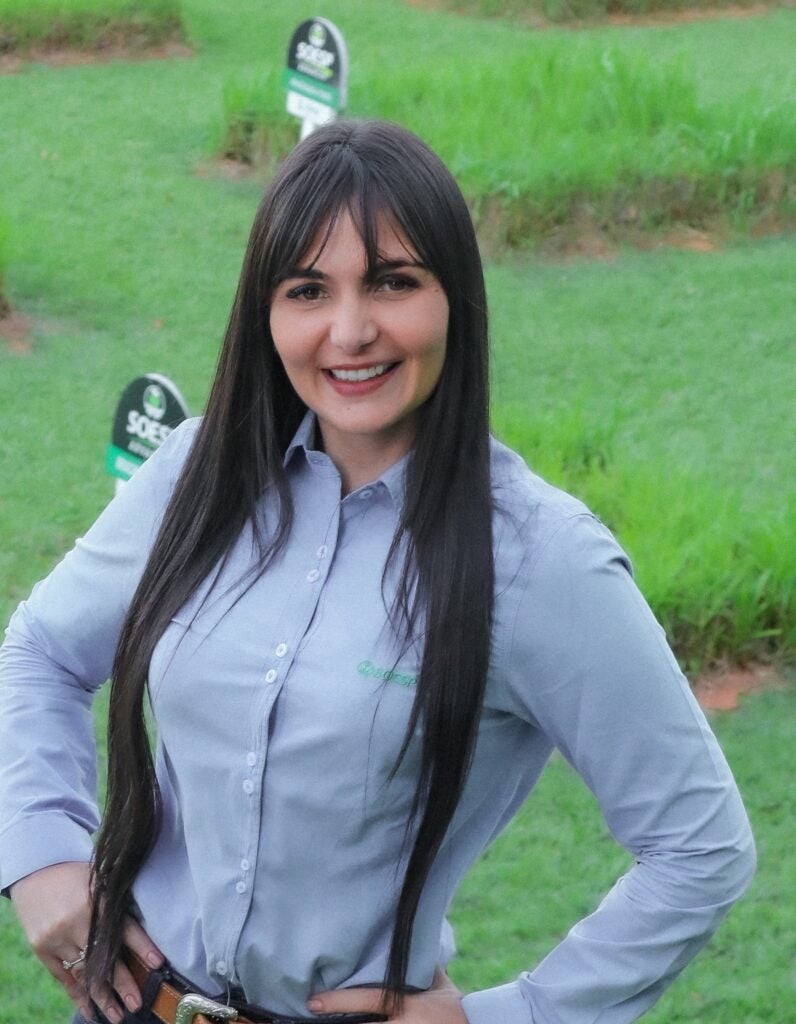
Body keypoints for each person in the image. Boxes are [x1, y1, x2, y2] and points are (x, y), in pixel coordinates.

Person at [0, 119, 755, 1024]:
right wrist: (41, 851)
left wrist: (504, 1016)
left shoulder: (538, 557)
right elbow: (41, 649)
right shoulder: (199, 475)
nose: (350, 332)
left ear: (454, 298)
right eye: (307, 290)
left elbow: (699, 846)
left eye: (394, 282)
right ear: (266, 312)